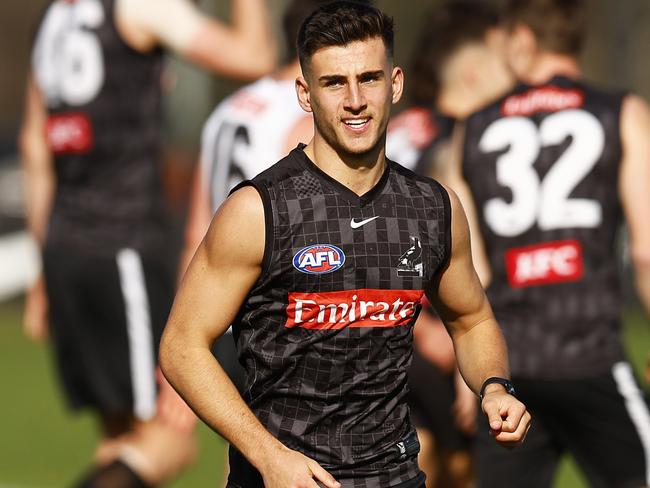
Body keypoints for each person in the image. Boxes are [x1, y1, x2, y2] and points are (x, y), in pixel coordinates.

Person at [160, 2, 531, 488]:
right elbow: (181, 347)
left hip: (394, 476)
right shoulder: (260, 210)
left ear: (395, 84)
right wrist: (268, 456)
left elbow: (472, 320)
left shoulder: (433, 208)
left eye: (369, 79)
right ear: (305, 93)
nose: (355, 100)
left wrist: (493, 387)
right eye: (334, 82)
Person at [19, 0, 275, 486]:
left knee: (120, 441)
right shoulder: (140, 5)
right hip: (122, 249)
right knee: (167, 441)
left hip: (63, 248)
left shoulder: (54, 16)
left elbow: (36, 144)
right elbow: (254, 57)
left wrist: (42, 268)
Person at [444, 0, 650, 486]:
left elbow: (468, 270)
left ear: (523, 41)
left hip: (511, 368)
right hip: (591, 355)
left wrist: (468, 374)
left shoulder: (472, 126)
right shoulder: (619, 112)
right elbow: (645, 250)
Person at [385, 3, 514, 487]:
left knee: (416, 458)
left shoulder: (393, 130)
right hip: (433, 335)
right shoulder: (461, 140)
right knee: (468, 471)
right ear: (474, 71)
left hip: (377, 329)